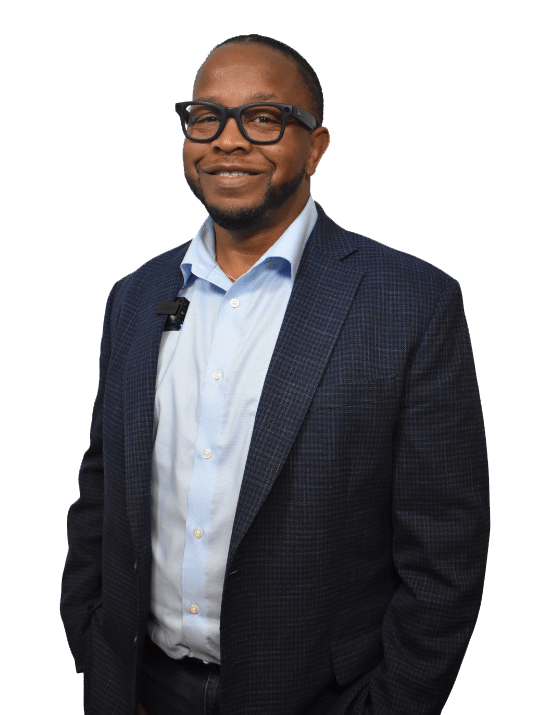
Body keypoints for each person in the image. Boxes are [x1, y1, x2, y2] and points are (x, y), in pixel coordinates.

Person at [60, 34, 490, 715]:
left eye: (263, 118)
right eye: (206, 117)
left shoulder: (411, 302)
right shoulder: (136, 296)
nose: (227, 140)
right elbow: (103, 484)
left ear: (316, 147)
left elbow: (446, 545)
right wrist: (93, 639)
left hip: (321, 696)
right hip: (139, 690)